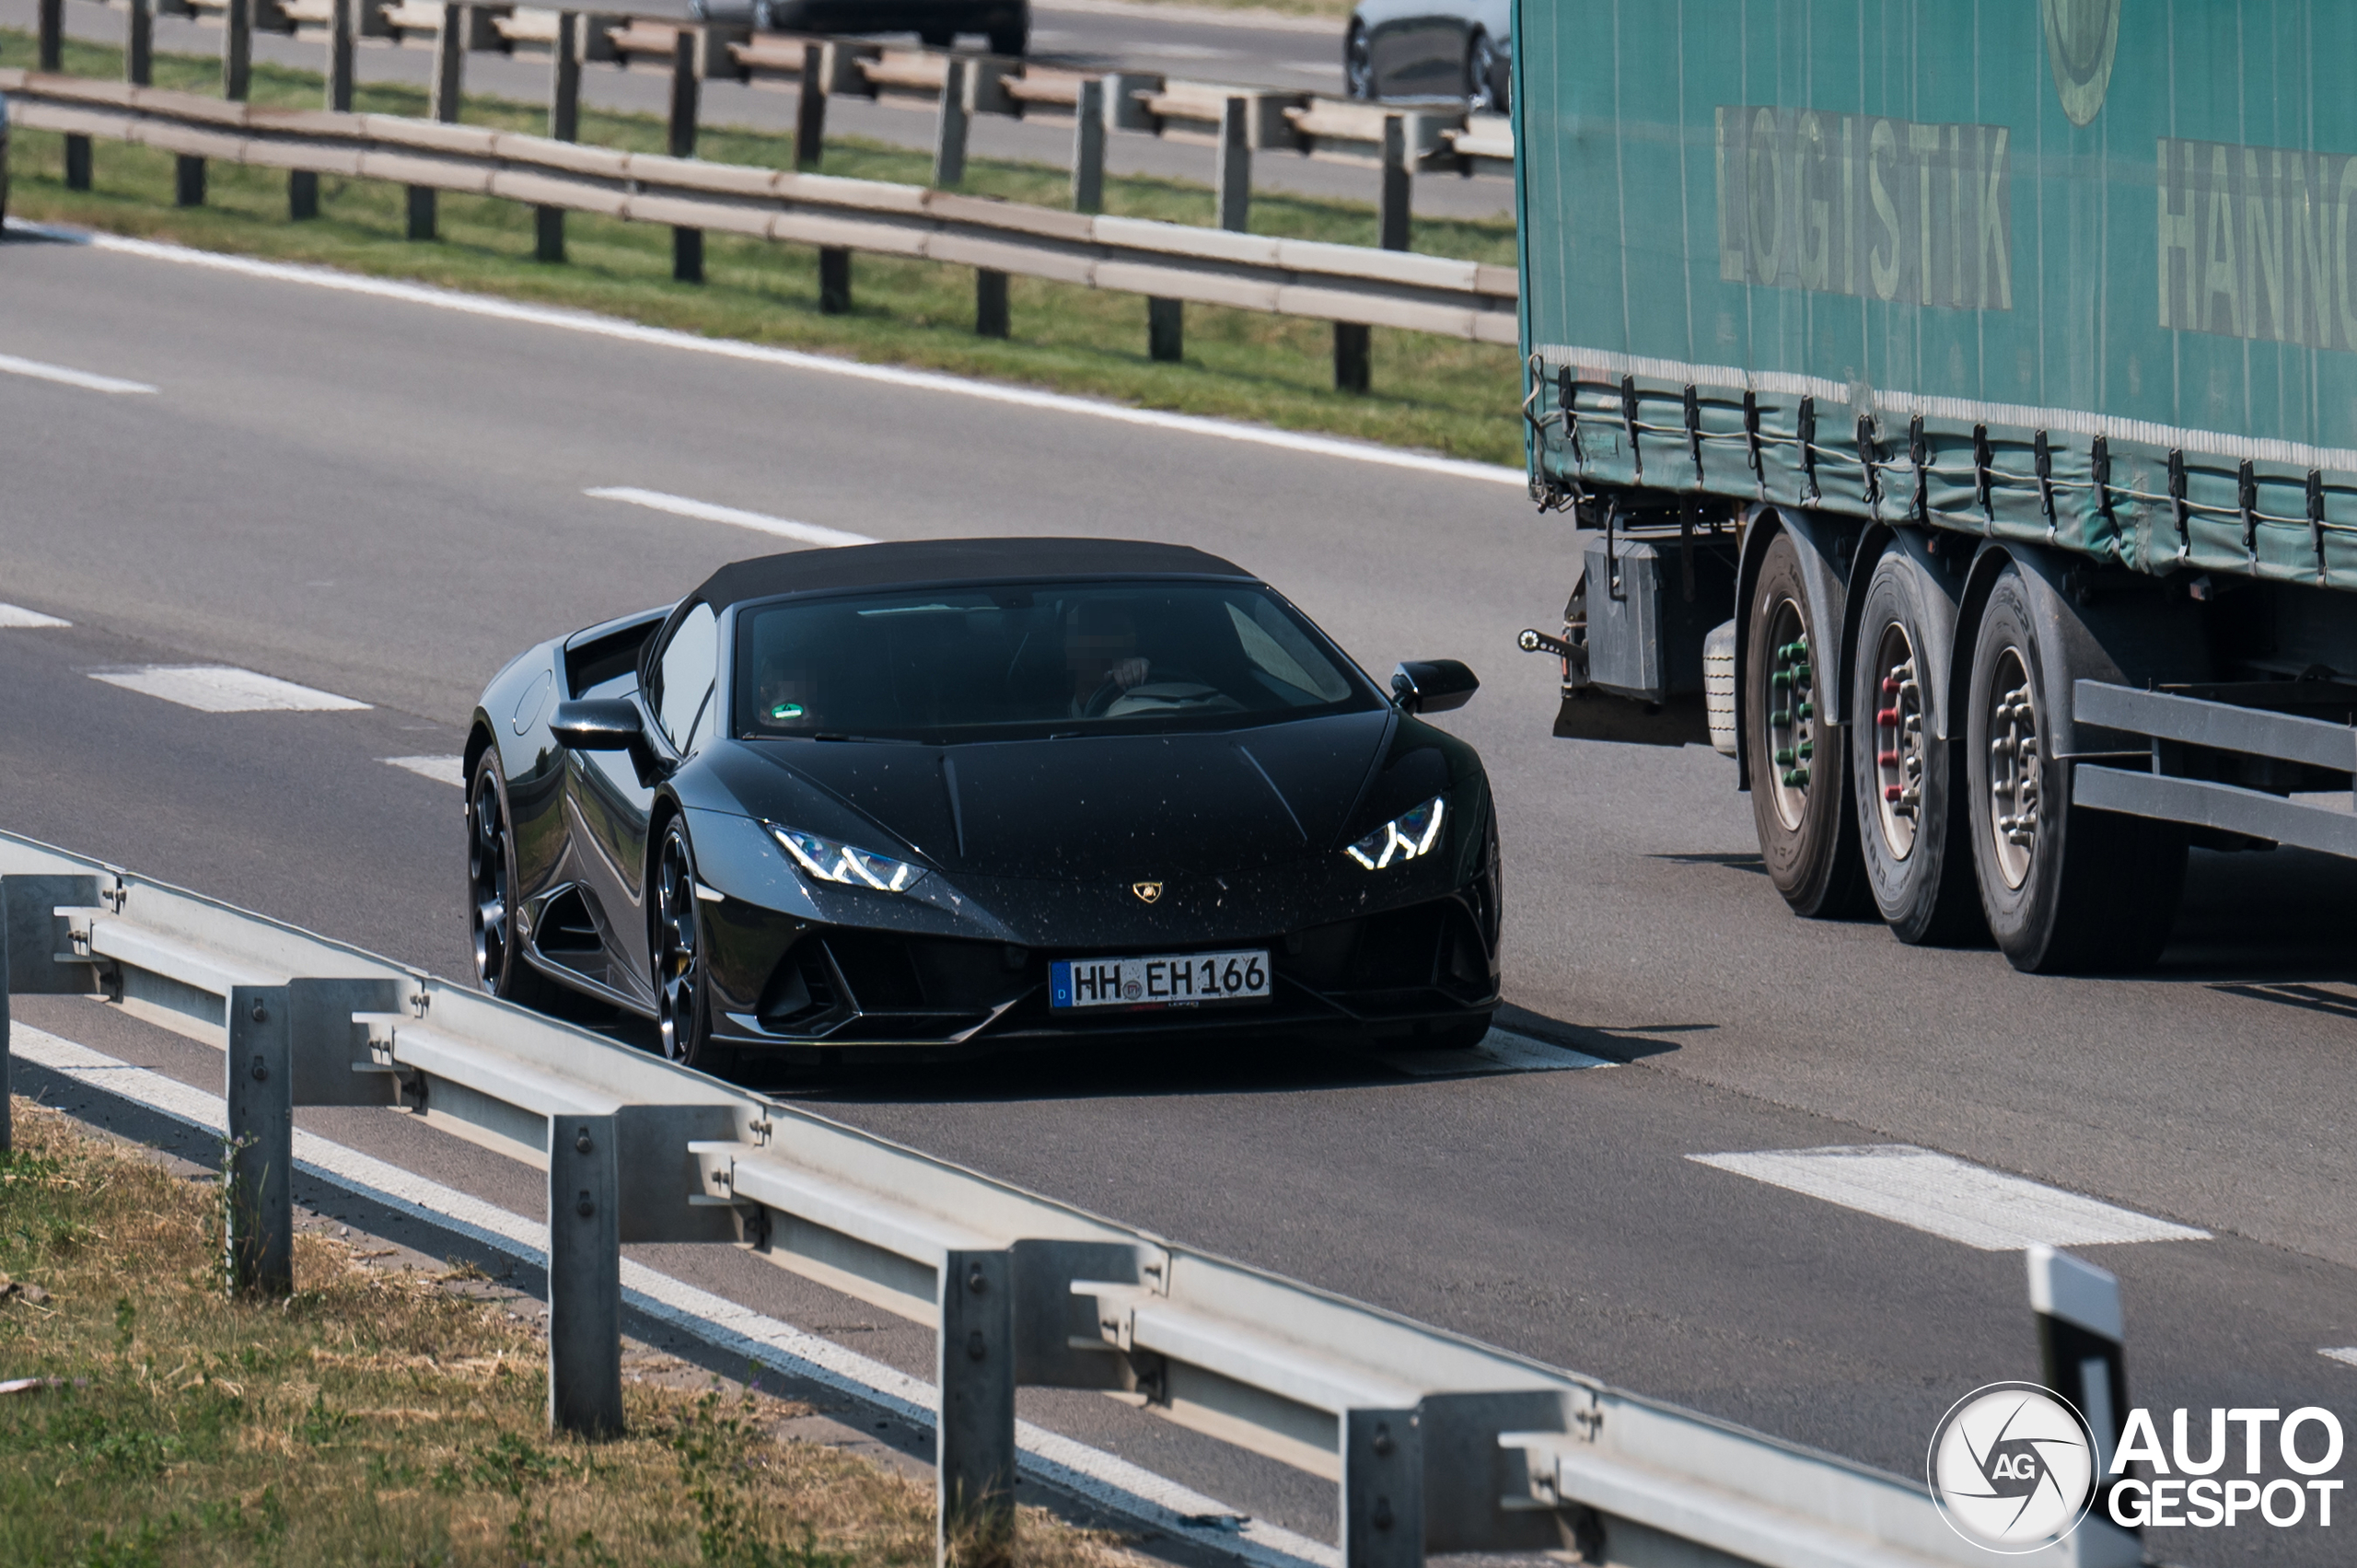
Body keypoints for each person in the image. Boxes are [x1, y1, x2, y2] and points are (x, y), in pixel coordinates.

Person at [1065, 600, 1150, 716]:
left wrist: (1141, 672)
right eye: (1095, 638)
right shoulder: (1042, 718)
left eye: (1122, 636)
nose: (1111, 647)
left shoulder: (1149, 705)